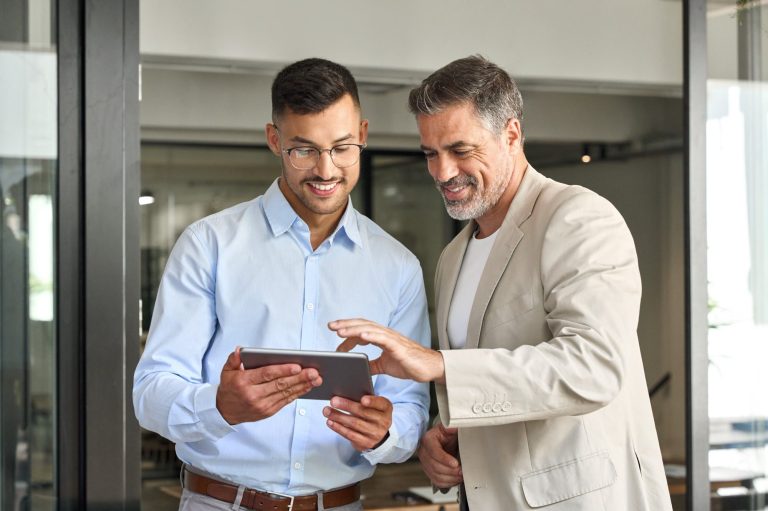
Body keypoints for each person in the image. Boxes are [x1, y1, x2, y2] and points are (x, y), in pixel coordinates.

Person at [330, 55, 672, 510]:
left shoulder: (576, 217)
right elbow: (494, 396)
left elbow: (594, 368)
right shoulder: (453, 257)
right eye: (431, 153)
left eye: (460, 150)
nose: (442, 172)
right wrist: (445, 442)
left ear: (511, 134)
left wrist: (439, 365)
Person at [133, 58, 430, 511]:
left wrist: (388, 433)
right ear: (275, 139)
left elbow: (410, 409)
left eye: (342, 147)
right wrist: (220, 405)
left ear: (363, 135)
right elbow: (151, 392)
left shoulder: (399, 266)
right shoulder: (209, 245)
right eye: (304, 150)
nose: (326, 170)